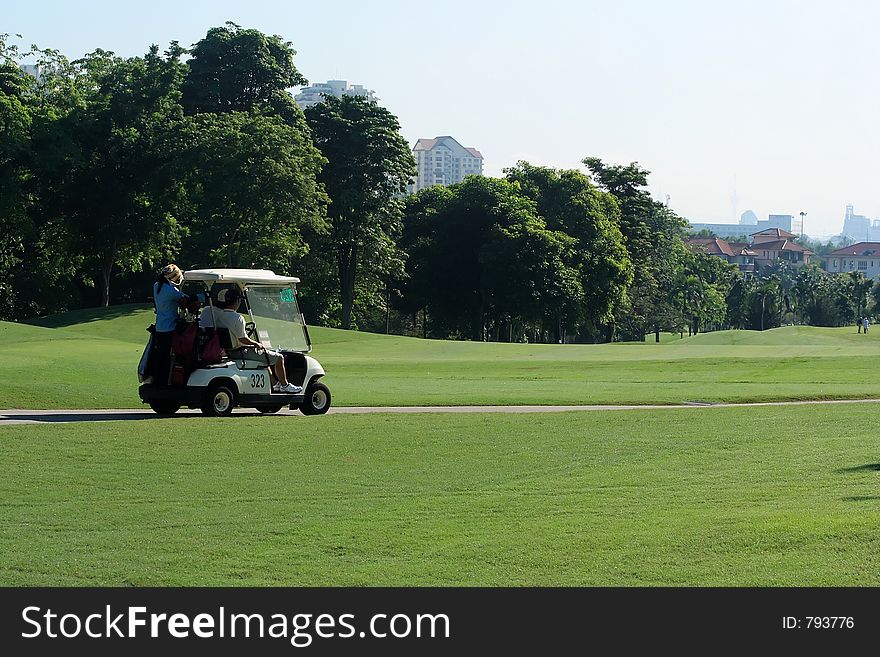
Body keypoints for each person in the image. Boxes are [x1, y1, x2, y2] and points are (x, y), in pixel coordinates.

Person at [203, 287, 303, 394]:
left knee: (263, 359)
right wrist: (256, 343)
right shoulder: (237, 318)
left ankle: (274, 385)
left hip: (229, 351)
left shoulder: (216, 315)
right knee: (279, 357)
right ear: (237, 301)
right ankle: (285, 385)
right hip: (240, 352)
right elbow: (243, 338)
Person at [151, 264, 188, 384]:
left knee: (160, 356)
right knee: (167, 357)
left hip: (160, 327)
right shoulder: (170, 290)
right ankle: (166, 382)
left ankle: (158, 381)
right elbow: (186, 299)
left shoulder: (157, 286)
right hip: (170, 328)